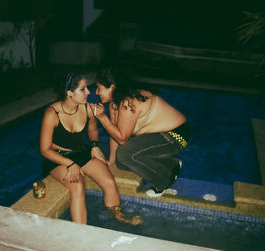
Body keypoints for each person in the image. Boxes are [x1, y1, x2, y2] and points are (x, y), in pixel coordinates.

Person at [40, 72, 141, 224]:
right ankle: (82, 232)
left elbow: (93, 131)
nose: (89, 92)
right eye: (83, 89)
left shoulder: (88, 109)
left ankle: (117, 216)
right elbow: (45, 149)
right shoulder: (52, 113)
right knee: (78, 186)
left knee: (109, 181)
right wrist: (69, 164)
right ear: (69, 93)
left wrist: (94, 146)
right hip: (58, 157)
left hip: (82, 153)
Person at [91, 67, 189, 198]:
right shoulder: (116, 102)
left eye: (99, 88)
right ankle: (171, 165)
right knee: (121, 161)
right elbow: (114, 132)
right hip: (159, 136)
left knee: (125, 154)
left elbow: (122, 139)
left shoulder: (129, 101)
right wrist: (112, 160)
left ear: (112, 87)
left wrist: (102, 118)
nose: (97, 92)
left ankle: (164, 180)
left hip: (175, 136)